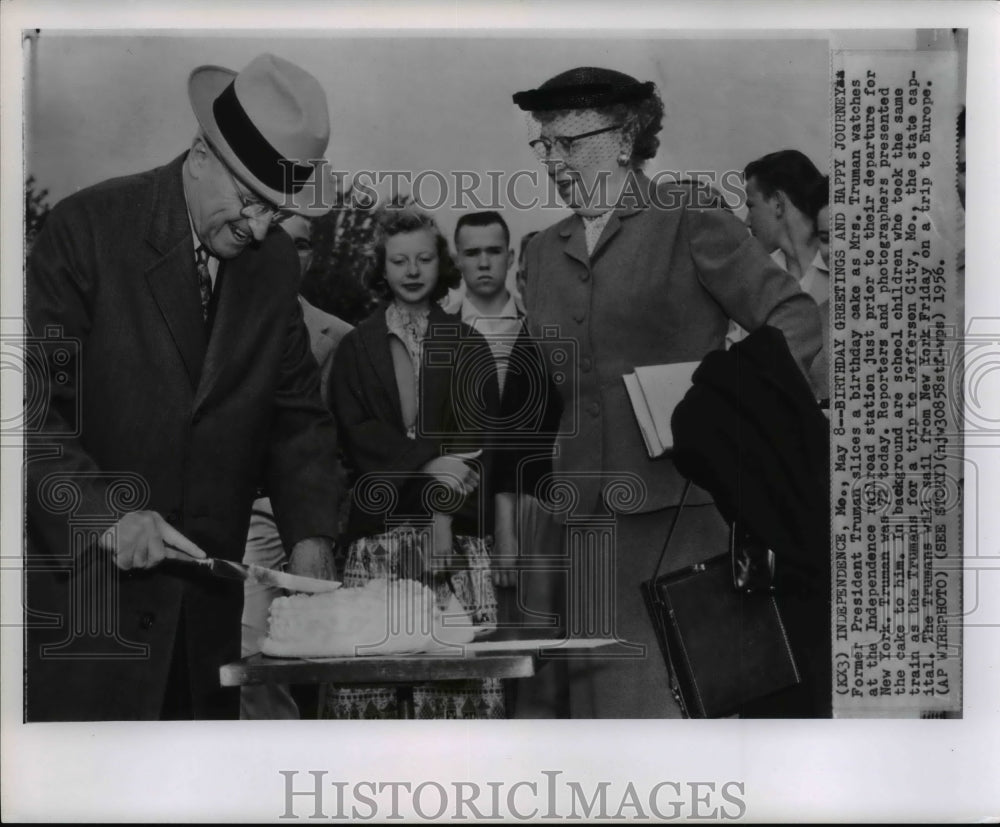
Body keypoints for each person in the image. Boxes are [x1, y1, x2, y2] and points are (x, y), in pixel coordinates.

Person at [25, 53, 342, 721]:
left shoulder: (273, 263)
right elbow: (28, 414)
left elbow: (296, 415)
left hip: (206, 635)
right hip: (92, 616)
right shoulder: (86, 231)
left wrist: (311, 532)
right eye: (250, 201)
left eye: (275, 211)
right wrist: (104, 513)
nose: (258, 229)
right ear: (201, 153)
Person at [512, 66, 823, 718]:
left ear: (625, 140)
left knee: (669, 733)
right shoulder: (542, 253)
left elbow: (794, 318)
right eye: (545, 145)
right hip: (576, 535)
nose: (554, 160)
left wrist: (724, 413)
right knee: (588, 744)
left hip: (679, 528)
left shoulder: (688, 220)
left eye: (571, 142)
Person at [321, 205, 505, 719]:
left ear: (439, 263)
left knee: (456, 699)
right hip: (376, 538)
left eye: (424, 258)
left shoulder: (468, 344)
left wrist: (442, 520)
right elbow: (356, 436)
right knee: (370, 697)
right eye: (399, 260)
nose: (412, 270)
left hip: (454, 543)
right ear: (381, 267)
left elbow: (476, 444)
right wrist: (429, 464)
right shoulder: (357, 346)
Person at [240, 213, 353, 720]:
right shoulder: (221, 323)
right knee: (251, 661)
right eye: (284, 241)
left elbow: (338, 445)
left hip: (319, 526)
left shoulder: (340, 337)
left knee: (319, 666)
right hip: (245, 519)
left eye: (304, 246)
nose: (293, 255)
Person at [743, 149, 829, 305]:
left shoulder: (842, 264)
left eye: (751, 206)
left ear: (778, 203)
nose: (747, 222)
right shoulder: (756, 278)